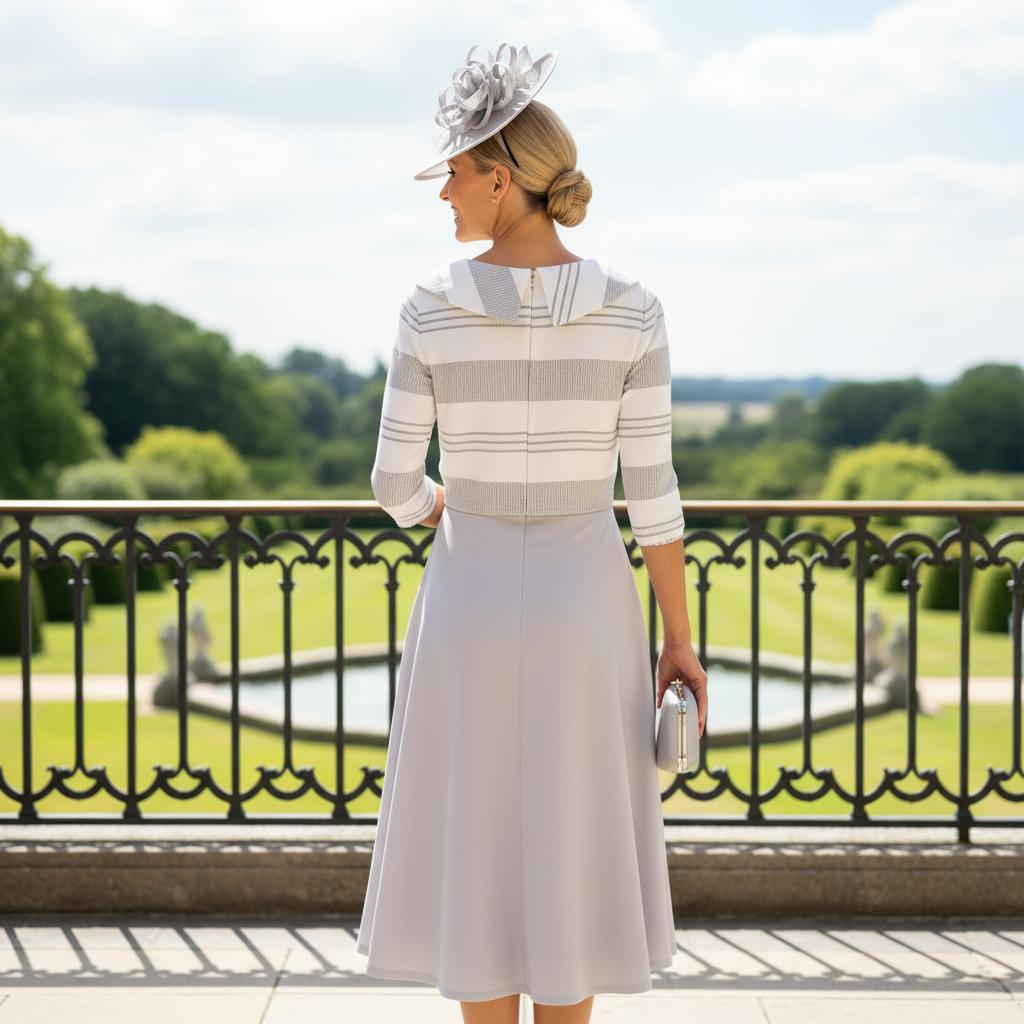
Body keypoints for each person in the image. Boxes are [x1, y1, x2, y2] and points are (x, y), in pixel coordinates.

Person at [355, 41, 708, 1024]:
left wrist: (444, 509)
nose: (444, 195)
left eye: (455, 174)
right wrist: (678, 640)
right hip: (585, 601)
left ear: (501, 179)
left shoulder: (429, 307)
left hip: (467, 597)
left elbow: (392, 481)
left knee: (477, 840)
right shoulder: (634, 310)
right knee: (571, 844)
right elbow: (653, 496)